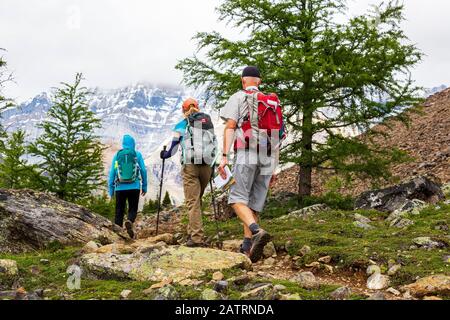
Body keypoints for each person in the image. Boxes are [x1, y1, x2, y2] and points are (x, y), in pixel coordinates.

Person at [218, 66, 286, 263]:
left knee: (237, 199)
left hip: (247, 153)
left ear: (243, 81)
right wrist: (274, 167)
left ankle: (255, 231)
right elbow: (278, 137)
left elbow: (230, 127)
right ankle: (247, 247)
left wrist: (224, 156)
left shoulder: (238, 97)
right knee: (253, 204)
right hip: (268, 155)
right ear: (259, 82)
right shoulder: (272, 103)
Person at [160, 98, 217, 247]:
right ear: (198, 107)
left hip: (191, 166)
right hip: (207, 166)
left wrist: (164, 155)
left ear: (183, 110)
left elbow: (173, 148)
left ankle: (196, 238)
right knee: (197, 199)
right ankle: (192, 231)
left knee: (193, 202)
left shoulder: (181, 125)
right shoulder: (207, 122)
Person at [108, 134, 148, 238]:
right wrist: (144, 186)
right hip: (134, 187)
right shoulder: (137, 154)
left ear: (123, 143)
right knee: (133, 209)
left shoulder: (117, 156)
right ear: (133, 144)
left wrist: (111, 189)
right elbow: (143, 170)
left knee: (119, 211)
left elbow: (113, 171)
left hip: (120, 187)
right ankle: (129, 221)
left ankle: (118, 234)